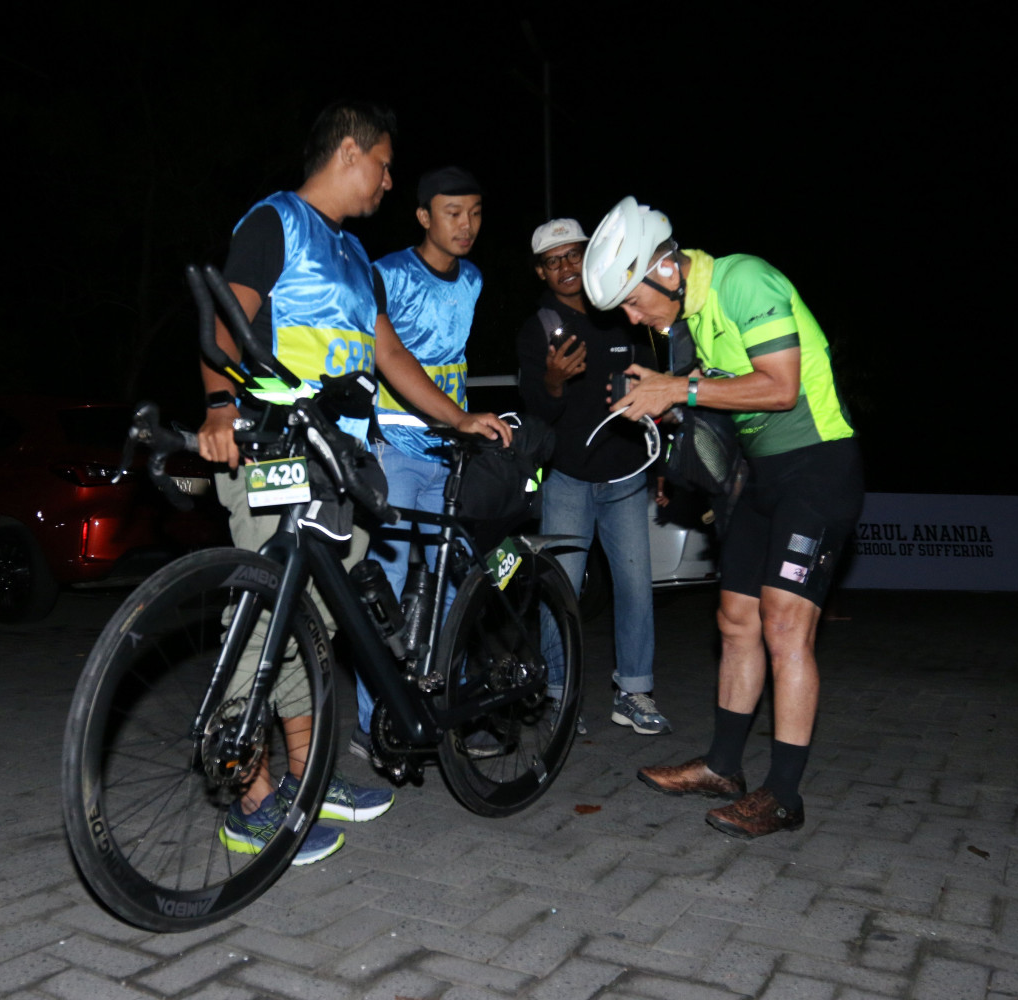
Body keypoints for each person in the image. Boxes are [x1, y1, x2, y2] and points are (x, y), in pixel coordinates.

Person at [196, 103, 511, 863]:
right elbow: (222, 325)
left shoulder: (354, 255)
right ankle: (250, 799)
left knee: (317, 626)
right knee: (262, 621)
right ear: (348, 152)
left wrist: (459, 419)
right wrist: (218, 407)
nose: (388, 180)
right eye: (384, 164)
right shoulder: (274, 223)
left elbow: (391, 357)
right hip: (275, 453)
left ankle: (308, 777)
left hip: (344, 462)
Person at [584, 196, 863, 839]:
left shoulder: (744, 280)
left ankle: (784, 796)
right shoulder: (694, 319)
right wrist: (666, 402)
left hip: (817, 466)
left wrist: (678, 387)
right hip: (758, 475)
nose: (633, 317)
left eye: (633, 301)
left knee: (785, 625)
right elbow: (719, 398)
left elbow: (780, 387)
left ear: (666, 270)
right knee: (736, 619)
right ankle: (722, 768)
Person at [516, 218, 671, 737]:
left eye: (573, 254)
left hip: (626, 474)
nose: (565, 266)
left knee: (635, 587)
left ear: (589, 257)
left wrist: (662, 464)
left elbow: (656, 394)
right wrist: (553, 383)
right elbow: (537, 415)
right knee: (560, 591)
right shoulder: (538, 328)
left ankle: (634, 692)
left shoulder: (625, 313)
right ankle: (558, 696)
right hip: (566, 478)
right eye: (553, 260)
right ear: (541, 271)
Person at [354, 165, 485, 759]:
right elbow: (383, 355)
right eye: (453, 213)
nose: (466, 224)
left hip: (449, 452)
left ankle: (448, 715)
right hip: (394, 450)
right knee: (383, 588)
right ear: (423, 216)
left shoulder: (474, 279)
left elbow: (455, 360)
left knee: (455, 584)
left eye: (475, 213)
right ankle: (372, 724)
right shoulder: (387, 273)